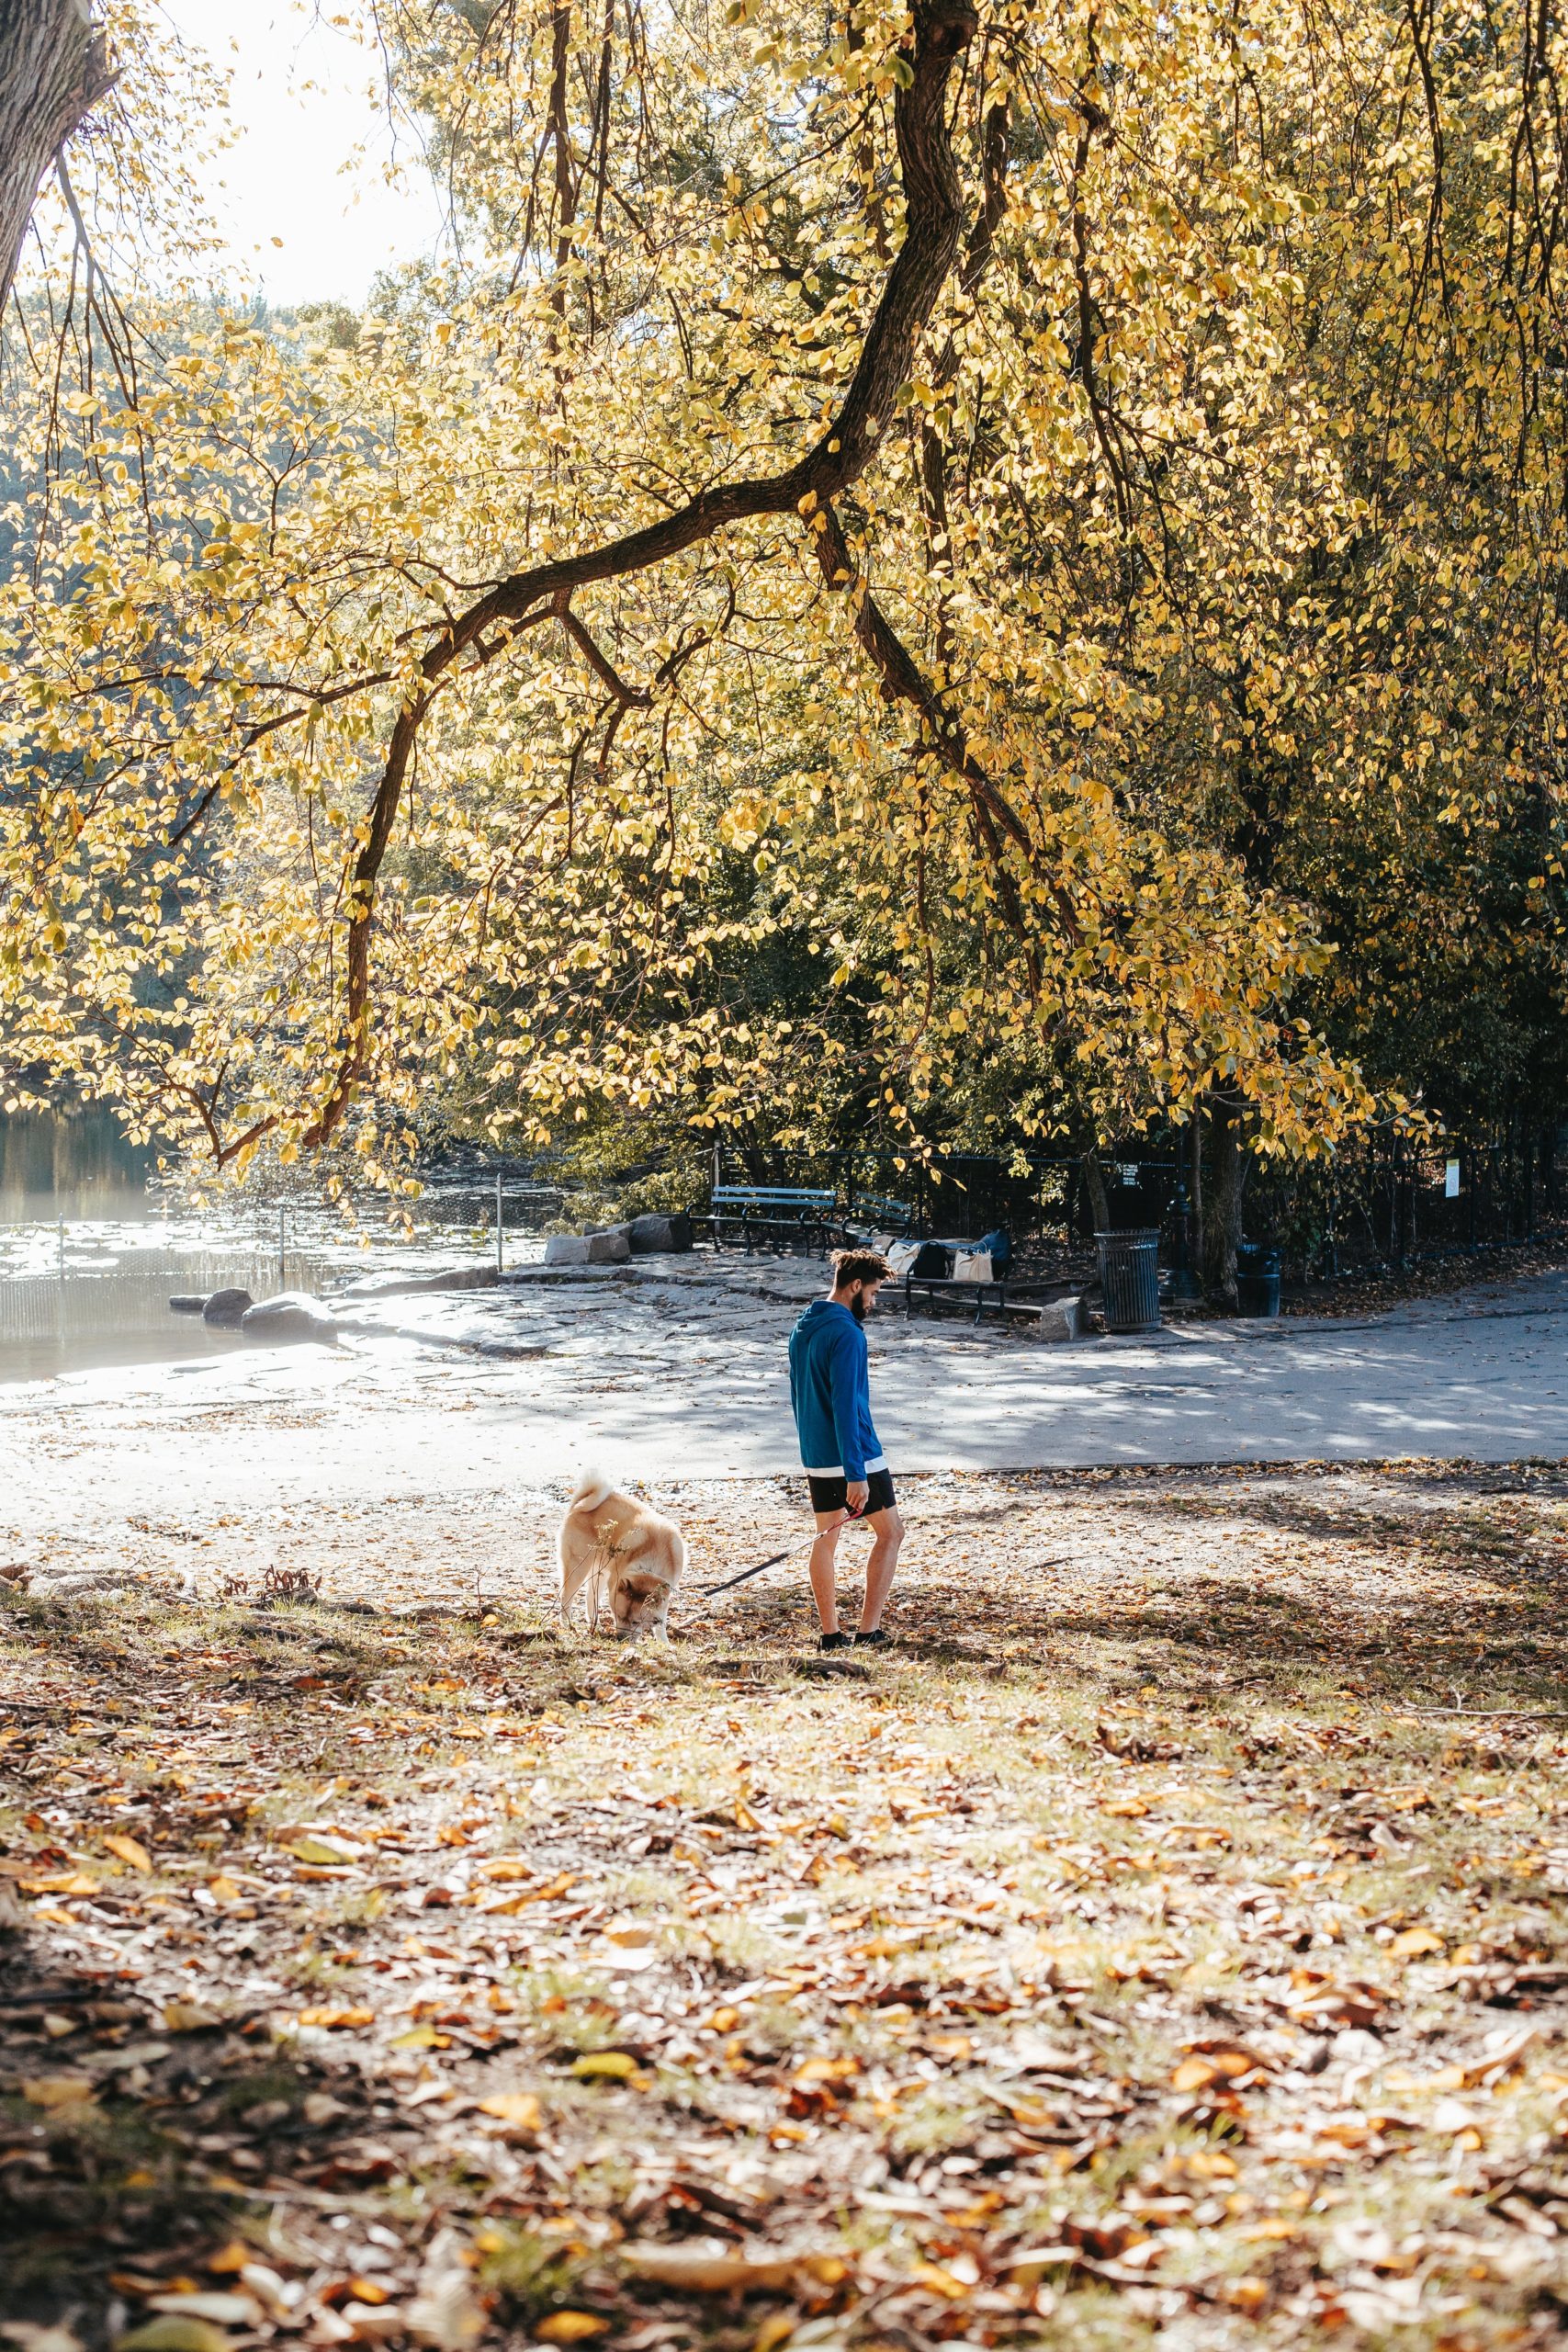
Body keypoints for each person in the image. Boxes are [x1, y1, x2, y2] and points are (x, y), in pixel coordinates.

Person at [787, 1248, 905, 1650]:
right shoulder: (849, 1333)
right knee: (891, 1534)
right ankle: (868, 1631)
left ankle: (830, 1636)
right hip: (856, 1456)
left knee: (825, 1539)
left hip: (817, 1457)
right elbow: (845, 1404)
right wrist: (856, 1472)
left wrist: (818, 1456)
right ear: (855, 1286)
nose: (872, 1303)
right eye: (871, 1293)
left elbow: (799, 1397)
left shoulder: (803, 1326)